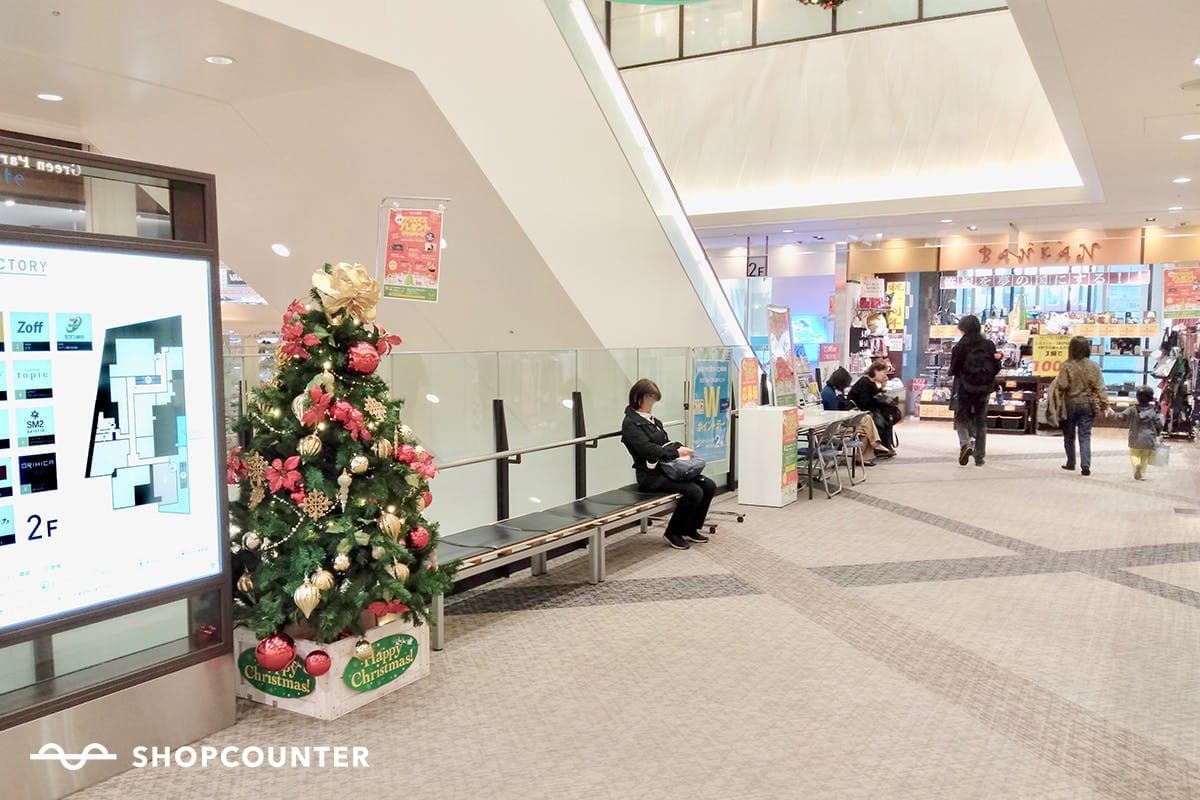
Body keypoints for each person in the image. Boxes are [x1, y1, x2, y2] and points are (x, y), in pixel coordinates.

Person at [620, 379, 716, 550]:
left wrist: (679, 448)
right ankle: (673, 532)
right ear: (639, 398)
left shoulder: (653, 421)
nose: (652, 405)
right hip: (651, 477)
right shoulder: (630, 424)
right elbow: (648, 450)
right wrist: (676, 453)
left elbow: (665, 443)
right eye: (651, 400)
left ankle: (690, 528)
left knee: (708, 485)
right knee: (693, 491)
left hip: (668, 470)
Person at [949, 315, 1000, 467]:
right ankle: (980, 457)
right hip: (984, 388)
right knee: (981, 421)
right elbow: (996, 366)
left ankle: (965, 444)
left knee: (962, 417)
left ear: (963, 328)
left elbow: (954, 369)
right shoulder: (988, 345)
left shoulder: (960, 347)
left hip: (964, 387)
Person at [1054, 335, 1108, 476]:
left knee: (1069, 435)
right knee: (1085, 435)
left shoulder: (1066, 365)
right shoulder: (1094, 366)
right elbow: (1100, 387)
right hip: (1087, 404)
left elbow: (1063, 385)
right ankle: (1085, 465)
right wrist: (1104, 403)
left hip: (1070, 403)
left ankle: (1071, 462)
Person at [822, 366, 885, 465]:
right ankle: (873, 446)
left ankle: (863, 456)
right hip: (835, 426)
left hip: (837, 422)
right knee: (866, 420)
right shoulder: (830, 394)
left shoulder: (831, 391)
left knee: (865, 427)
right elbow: (836, 414)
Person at [849, 363, 898, 455]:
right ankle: (879, 447)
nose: (885, 376)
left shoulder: (871, 383)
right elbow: (865, 403)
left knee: (886, 419)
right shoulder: (864, 382)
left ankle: (884, 446)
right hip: (858, 412)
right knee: (880, 421)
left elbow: (876, 397)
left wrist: (883, 385)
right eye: (884, 373)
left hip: (866, 410)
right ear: (876, 371)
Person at [1117, 387, 1163, 480]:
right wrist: (1158, 432)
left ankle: (1136, 465)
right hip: (1149, 438)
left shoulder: (1132, 409)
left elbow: (1121, 416)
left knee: (1134, 454)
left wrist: (1112, 414)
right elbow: (1160, 423)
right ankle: (1142, 473)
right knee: (1145, 457)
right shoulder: (1154, 410)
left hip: (1135, 436)